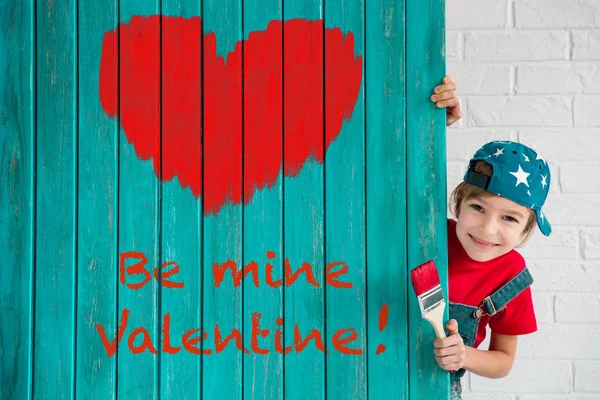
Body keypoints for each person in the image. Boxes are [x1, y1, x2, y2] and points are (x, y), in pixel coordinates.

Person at [430, 76, 551, 399]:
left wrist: (464, 355)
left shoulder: (511, 278)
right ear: (458, 203)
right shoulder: (425, 232)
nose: (487, 229)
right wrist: (428, 125)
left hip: (436, 388)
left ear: (526, 229)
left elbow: (503, 361)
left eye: (509, 218)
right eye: (478, 208)